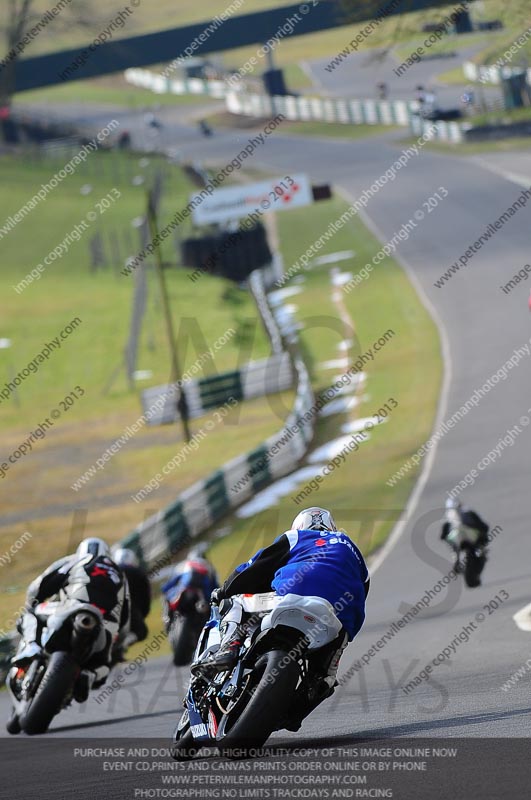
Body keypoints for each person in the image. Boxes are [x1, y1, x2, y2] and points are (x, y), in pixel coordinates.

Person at [193, 507, 370, 709]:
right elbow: (363, 591)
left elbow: (255, 567)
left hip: (295, 592)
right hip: (339, 613)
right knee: (327, 669)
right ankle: (319, 682)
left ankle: (228, 649)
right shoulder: (353, 550)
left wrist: (224, 590)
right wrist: (348, 630)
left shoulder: (296, 537)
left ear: (300, 526)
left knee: (237, 601)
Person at [12, 538, 130, 701]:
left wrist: (34, 602)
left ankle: (32, 646)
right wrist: (115, 634)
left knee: (29, 614)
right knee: (102, 666)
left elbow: (38, 587)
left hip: (71, 608)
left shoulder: (75, 560)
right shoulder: (119, 573)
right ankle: (89, 675)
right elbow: (125, 613)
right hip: (107, 624)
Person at [161, 545, 218, 620]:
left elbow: (169, 584)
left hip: (186, 592)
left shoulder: (184, 565)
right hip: (201, 597)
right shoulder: (209, 568)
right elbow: (215, 587)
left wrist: (164, 589)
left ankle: (167, 615)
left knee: (168, 596)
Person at [441, 498, 489, 583]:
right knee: (480, 551)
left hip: (469, 540)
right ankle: (457, 558)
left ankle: (457, 558)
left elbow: (483, 526)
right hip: (464, 541)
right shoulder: (467, 513)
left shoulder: (466, 514)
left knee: (480, 551)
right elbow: (484, 526)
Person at [112, 547, 151, 645]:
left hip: (109, 608)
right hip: (130, 610)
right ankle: (124, 644)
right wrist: (142, 614)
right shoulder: (139, 572)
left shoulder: (110, 571)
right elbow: (146, 597)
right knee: (142, 631)